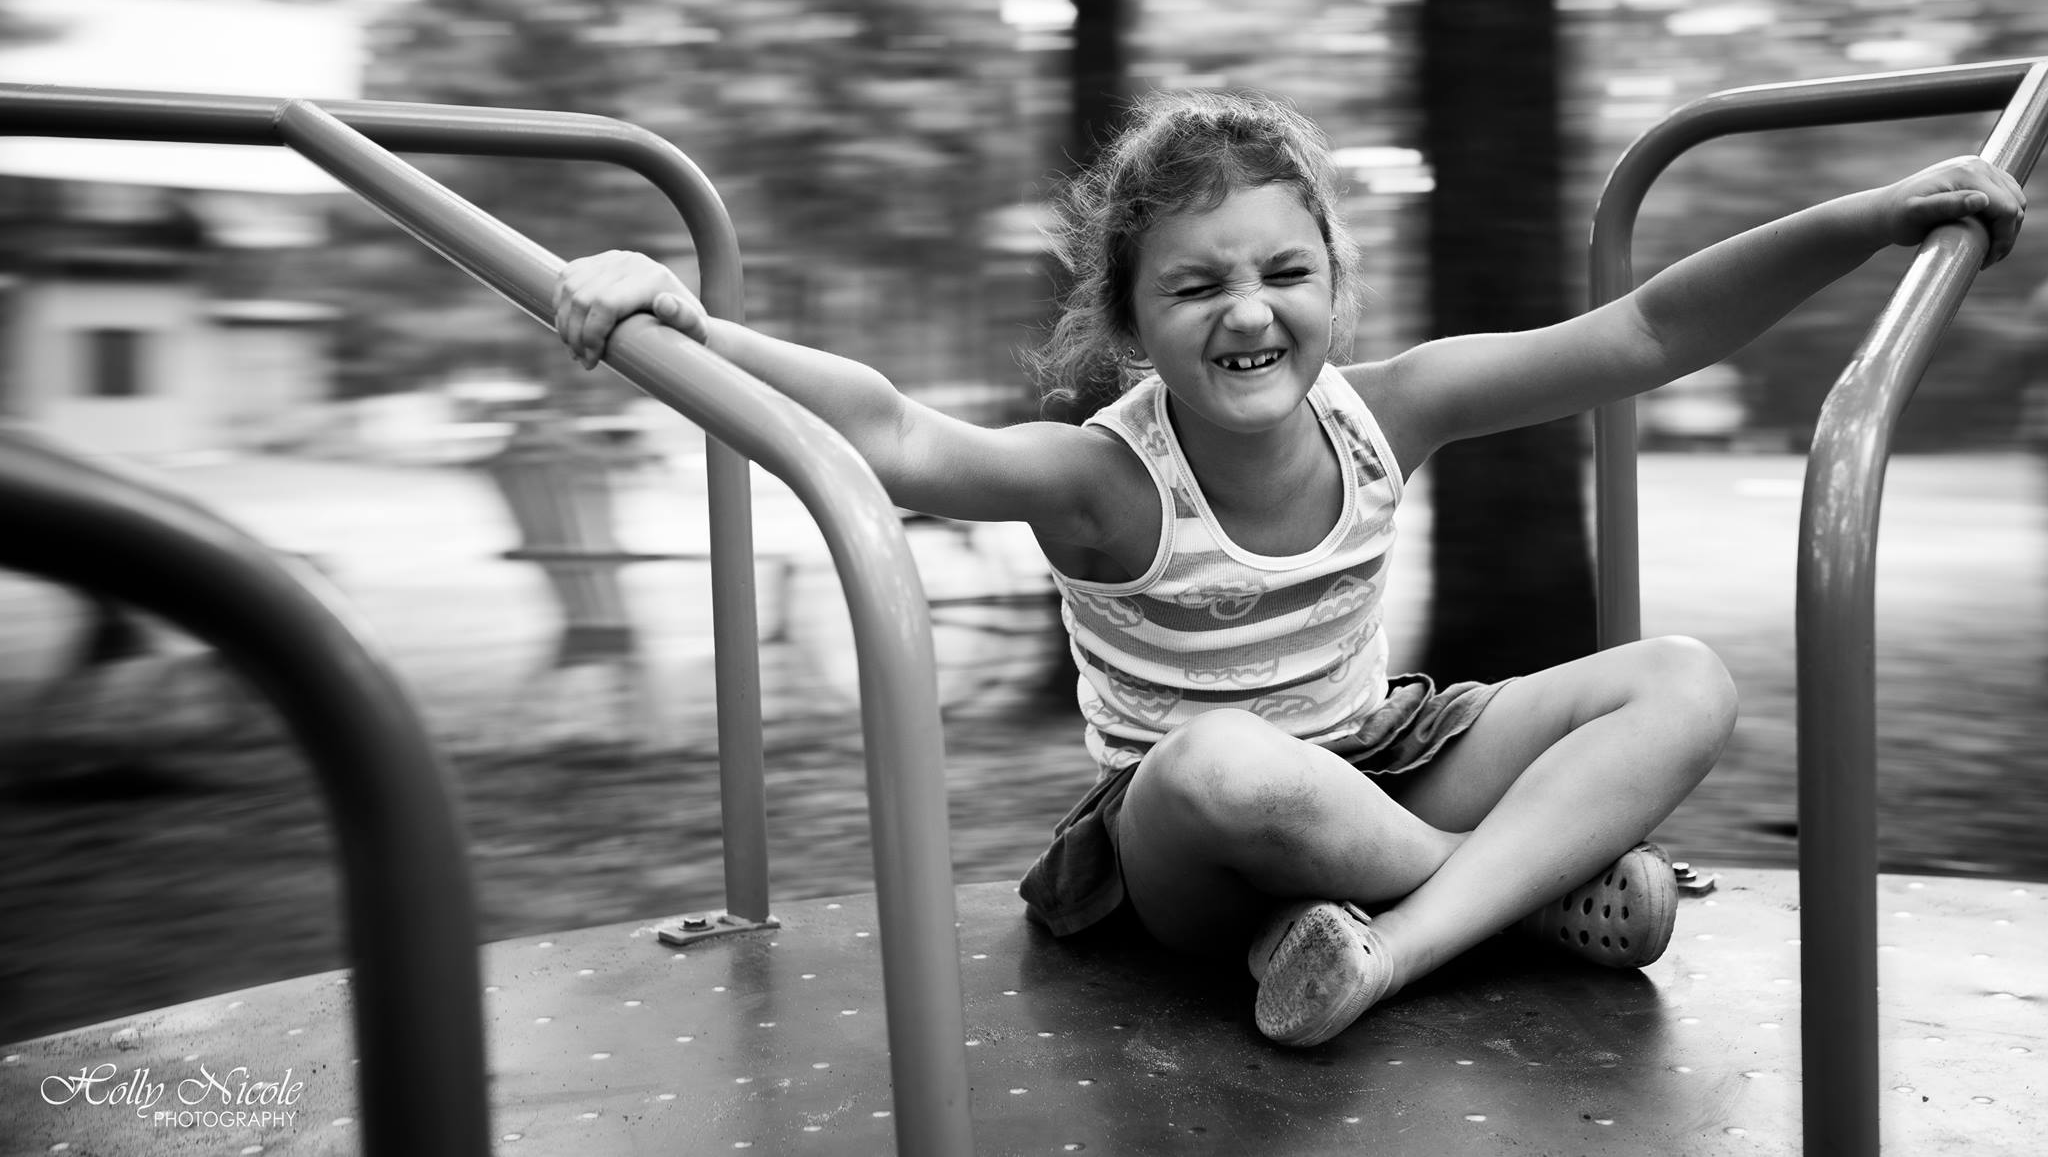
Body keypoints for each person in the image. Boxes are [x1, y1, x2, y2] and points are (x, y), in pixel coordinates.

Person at [552, 89, 2024, 1048]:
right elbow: (889, 429)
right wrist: (690, 323)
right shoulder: (1101, 478)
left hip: (1377, 766)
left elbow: (1642, 334)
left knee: (1683, 681)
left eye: (1283, 273)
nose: (1247, 313)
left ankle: (1388, 949)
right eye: (1195, 285)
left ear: (1335, 284)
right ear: (1132, 325)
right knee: (1219, 763)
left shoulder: (1395, 410)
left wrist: (1868, 219)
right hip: (1188, 844)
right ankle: (1520, 896)